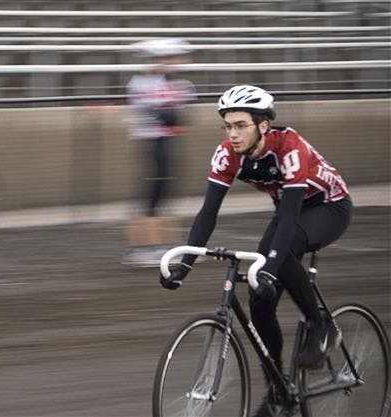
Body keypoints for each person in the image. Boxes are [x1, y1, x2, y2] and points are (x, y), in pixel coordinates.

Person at [159, 85, 352, 416]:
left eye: (240, 125)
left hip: (328, 207)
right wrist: (185, 263)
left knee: (279, 256)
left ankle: (321, 325)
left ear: (263, 125)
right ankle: (279, 389)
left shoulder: (289, 147)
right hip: (289, 213)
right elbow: (208, 213)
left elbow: (290, 218)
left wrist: (268, 267)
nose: (232, 134)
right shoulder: (227, 154)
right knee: (260, 299)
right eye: (228, 126)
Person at [123, 38, 196, 266]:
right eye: (171, 58)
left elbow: (179, 117)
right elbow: (166, 115)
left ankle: (166, 246)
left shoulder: (176, 84)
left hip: (167, 142)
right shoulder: (143, 83)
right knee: (152, 196)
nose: (176, 63)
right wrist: (170, 111)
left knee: (165, 194)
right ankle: (144, 248)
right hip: (153, 142)